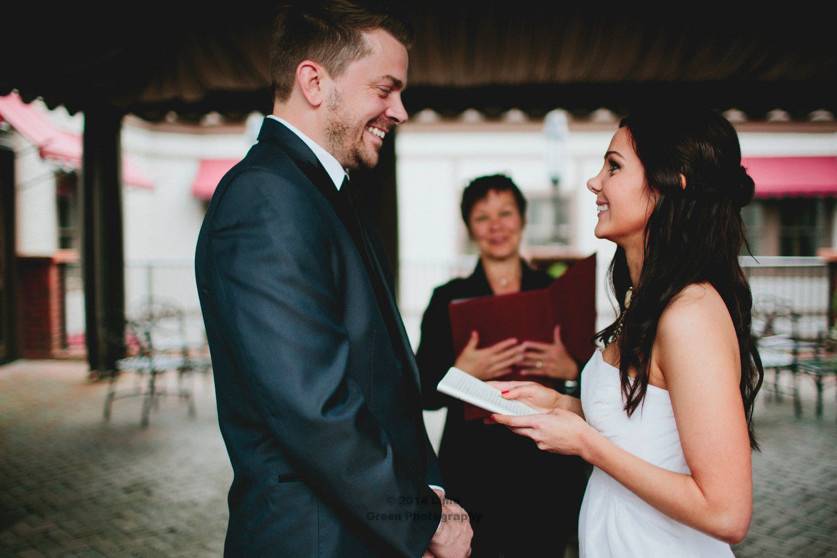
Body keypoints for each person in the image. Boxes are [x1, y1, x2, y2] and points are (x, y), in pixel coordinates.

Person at [194, 2, 472, 556]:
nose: (400, 111)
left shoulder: (315, 191)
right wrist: (423, 519)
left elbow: (381, 379)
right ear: (314, 82)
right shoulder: (266, 197)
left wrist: (429, 490)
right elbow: (313, 406)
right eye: (385, 89)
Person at [490, 108, 764, 557]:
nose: (594, 182)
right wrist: (561, 405)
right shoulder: (644, 297)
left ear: (671, 182)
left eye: (614, 166)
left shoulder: (689, 313)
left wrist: (586, 445)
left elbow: (727, 513)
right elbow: (645, 427)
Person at [416, 174, 588, 557]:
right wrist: (459, 371)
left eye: (506, 213)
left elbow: (597, 389)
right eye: (482, 217)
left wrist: (571, 372)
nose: (496, 226)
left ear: (523, 220)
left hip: (546, 468)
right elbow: (420, 392)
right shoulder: (447, 299)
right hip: (474, 470)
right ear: (469, 227)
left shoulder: (557, 294)